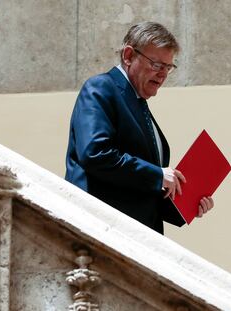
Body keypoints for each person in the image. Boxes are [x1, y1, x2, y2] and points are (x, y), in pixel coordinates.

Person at [65, 22, 213, 234]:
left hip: (139, 236)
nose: (162, 75)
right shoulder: (101, 88)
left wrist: (187, 205)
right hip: (102, 230)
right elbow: (95, 154)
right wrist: (157, 175)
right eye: (156, 64)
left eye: (168, 68)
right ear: (128, 55)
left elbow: (141, 190)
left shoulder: (138, 103)